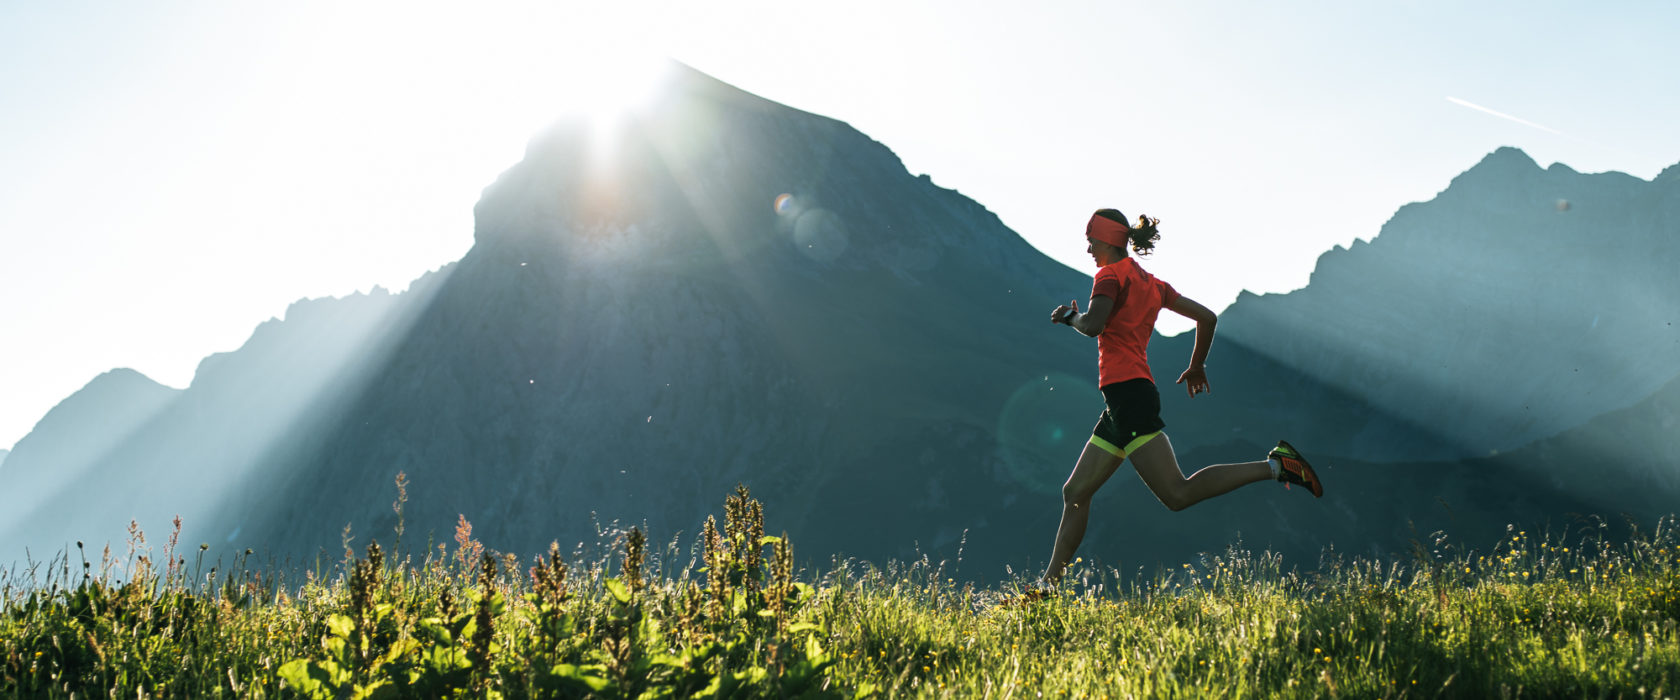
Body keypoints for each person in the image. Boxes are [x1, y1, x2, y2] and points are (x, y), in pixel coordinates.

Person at [1041, 209, 1322, 585]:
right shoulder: (1153, 284)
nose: (1088, 247)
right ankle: (1046, 588)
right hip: (1124, 401)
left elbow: (1093, 326)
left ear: (1107, 239)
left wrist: (1069, 318)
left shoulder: (1109, 276)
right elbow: (1207, 318)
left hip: (1130, 399)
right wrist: (1197, 365)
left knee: (1178, 493)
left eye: (1090, 239)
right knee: (1075, 491)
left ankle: (1278, 466)